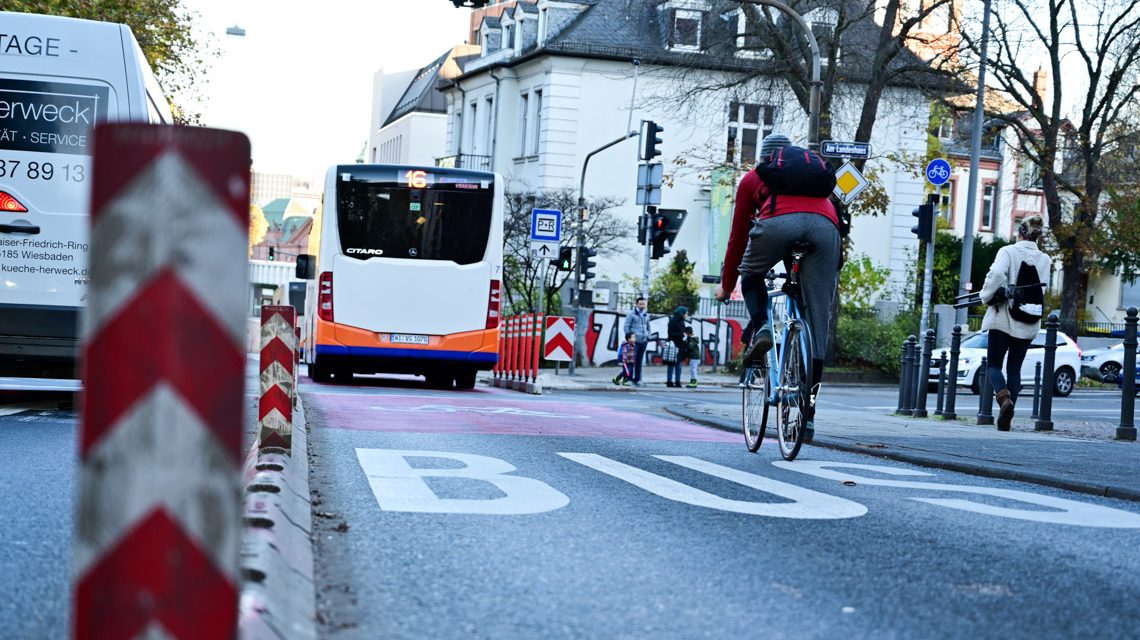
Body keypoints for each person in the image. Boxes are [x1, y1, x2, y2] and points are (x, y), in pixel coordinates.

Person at [714, 133, 842, 442]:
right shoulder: (815, 180)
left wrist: (727, 284)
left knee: (753, 274)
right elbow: (835, 218)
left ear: (765, 157)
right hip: (826, 231)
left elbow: (737, 239)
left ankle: (762, 328)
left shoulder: (753, 178)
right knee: (816, 321)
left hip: (777, 226)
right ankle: (807, 417)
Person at [979, 215, 1050, 431]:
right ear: (1037, 236)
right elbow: (1041, 290)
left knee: (993, 365)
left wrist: (987, 294)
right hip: (1028, 320)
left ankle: (1004, 400)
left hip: (1002, 318)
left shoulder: (1008, 251)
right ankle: (1006, 418)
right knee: (1015, 370)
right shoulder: (1045, 259)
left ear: (1020, 231)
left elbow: (997, 274)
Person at [622, 297, 650, 386]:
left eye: (643, 304)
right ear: (637, 304)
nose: (642, 305)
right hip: (634, 342)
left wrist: (648, 336)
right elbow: (626, 327)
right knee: (631, 361)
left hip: (643, 341)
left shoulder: (646, 315)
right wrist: (630, 339)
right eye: (640, 304)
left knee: (639, 362)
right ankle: (629, 379)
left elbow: (648, 327)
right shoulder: (631, 314)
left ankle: (638, 380)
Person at [665, 306, 689, 387]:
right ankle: (669, 381)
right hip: (673, 345)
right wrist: (682, 334)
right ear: (682, 313)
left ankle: (678, 381)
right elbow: (671, 333)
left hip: (681, 345)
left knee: (679, 364)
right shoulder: (673, 321)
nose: (687, 315)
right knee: (671, 363)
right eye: (686, 313)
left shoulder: (682, 321)